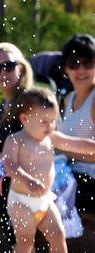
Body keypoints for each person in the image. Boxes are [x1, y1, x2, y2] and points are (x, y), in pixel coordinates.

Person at [1, 88, 95, 253]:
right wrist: (27, 180)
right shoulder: (16, 140)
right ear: (25, 118)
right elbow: (9, 165)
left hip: (44, 200)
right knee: (25, 240)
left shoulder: (51, 138)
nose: (49, 126)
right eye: (43, 121)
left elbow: (76, 144)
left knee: (58, 235)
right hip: (20, 200)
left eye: (53, 120)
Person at [56, 34, 95, 212]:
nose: (80, 70)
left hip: (89, 181)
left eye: (88, 63)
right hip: (69, 174)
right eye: (74, 63)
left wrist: (63, 150)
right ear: (65, 68)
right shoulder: (67, 99)